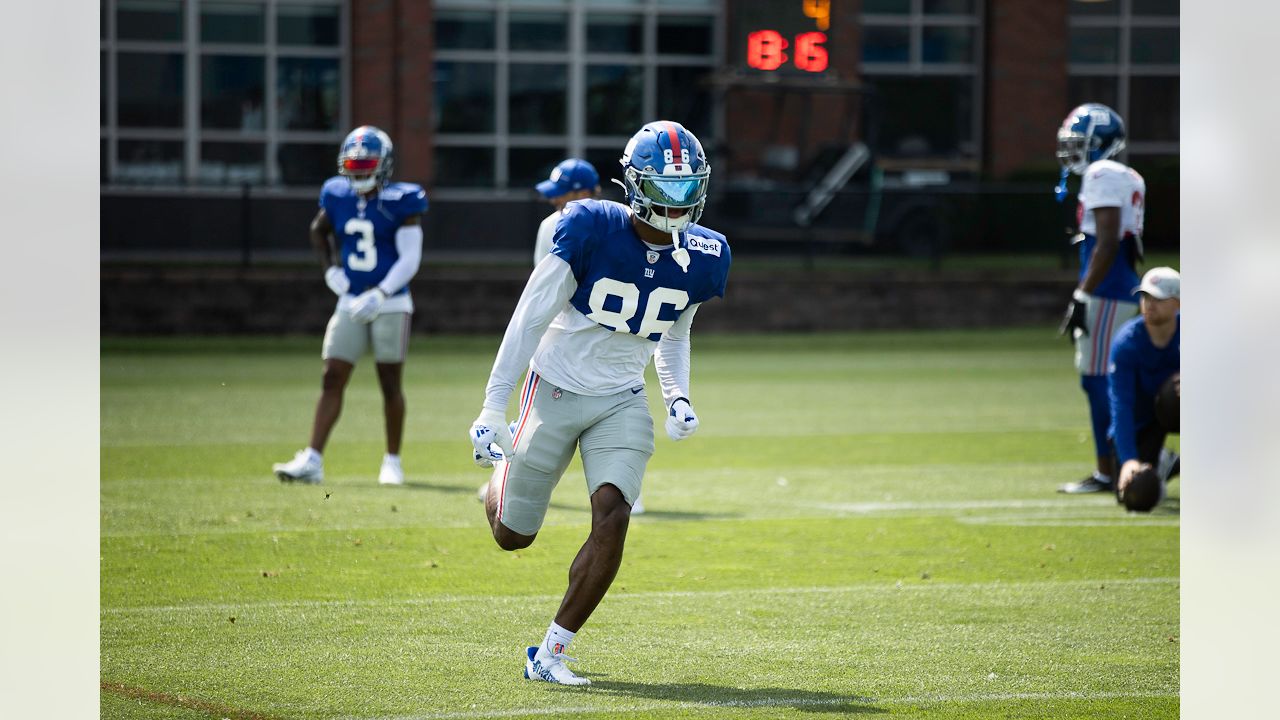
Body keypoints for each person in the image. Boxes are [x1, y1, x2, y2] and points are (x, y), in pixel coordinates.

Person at [468, 121, 730, 685]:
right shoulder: (588, 226)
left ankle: (551, 652)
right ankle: (499, 475)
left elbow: (675, 332)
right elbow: (528, 319)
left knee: (614, 513)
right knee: (513, 535)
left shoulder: (707, 254)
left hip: (623, 398)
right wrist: (493, 406)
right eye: (665, 187)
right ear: (634, 185)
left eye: (687, 189)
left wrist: (677, 394)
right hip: (555, 387)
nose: (677, 203)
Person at [273, 125, 428, 486]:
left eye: (367, 165)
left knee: (389, 382)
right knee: (332, 375)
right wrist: (330, 273)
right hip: (350, 300)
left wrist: (381, 293)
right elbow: (318, 230)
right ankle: (312, 458)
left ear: (385, 165)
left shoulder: (401, 200)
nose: (358, 173)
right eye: (353, 165)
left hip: (391, 303)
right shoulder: (337, 194)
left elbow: (410, 258)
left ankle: (392, 461)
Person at [1053, 103, 1148, 494]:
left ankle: (1118, 468)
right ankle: (1129, 462)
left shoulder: (1101, 172)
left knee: (1098, 382)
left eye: (1079, 143)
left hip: (1107, 292)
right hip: (1117, 288)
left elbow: (1107, 241)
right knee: (1104, 381)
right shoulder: (1121, 174)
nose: (1071, 151)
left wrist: (1082, 293)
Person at [1110, 267, 1180, 505]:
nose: (1150, 304)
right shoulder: (1126, 344)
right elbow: (1121, 404)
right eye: (1146, 296)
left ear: (1178, 303)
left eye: (1158, 299)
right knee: (1136, 495)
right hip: (1142, 419)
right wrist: (1129, 459)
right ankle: (1163, 460)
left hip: (1178, 408)